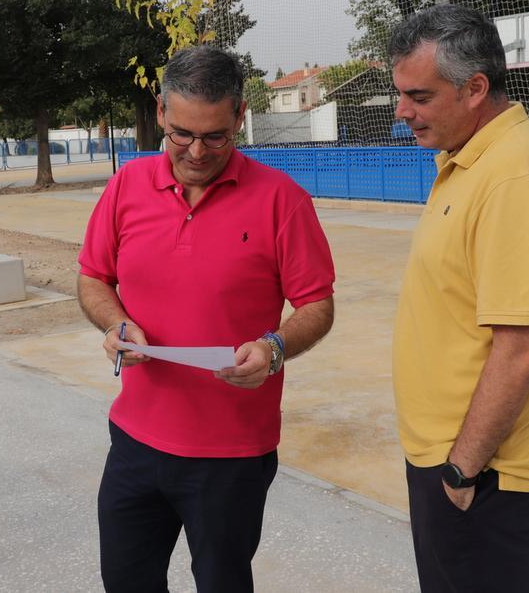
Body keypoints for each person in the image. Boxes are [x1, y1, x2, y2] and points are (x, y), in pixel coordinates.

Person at [77, 45, 336, 592]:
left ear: (240, 115)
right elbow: (93, 278)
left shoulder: (281, 201)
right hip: (135, 441)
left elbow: (316, 305)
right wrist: (114, 324)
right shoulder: (127, 184)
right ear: (161, 112)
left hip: (232, 455)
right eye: (182, 134)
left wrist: (274, 347)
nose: (196, 151)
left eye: (216, 135)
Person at [388, 4, 529, 592]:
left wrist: (461, 468)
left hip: (485, 469)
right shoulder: (469, 161)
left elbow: (521, 348)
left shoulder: (514, 178)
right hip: (457, 457)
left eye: (419, 96)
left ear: (475, 88)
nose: (403, 112)